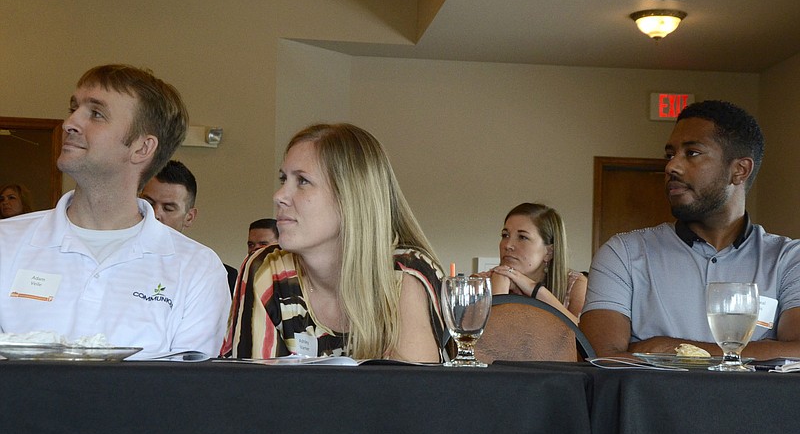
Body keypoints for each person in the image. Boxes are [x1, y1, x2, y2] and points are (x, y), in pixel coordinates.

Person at [0, 64, 230, 358]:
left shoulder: (196, 268)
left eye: (95, 114)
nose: (70, 122)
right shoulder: (5, 243)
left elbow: (184, 394)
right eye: (73, 108)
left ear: (142, 148)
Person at [580, 100, 800, 359]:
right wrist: (756, 353)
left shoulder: (789, 260)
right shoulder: (623, 254)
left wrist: (670, 350)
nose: (671, 166)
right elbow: (602, 359)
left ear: (739, 170)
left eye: (692, 153)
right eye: (670, 154)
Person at [221, 123, 448, 362]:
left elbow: (411, 395)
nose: (279, 196)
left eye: (303, 181)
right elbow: (250, 391)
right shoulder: (267, 268)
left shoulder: (403, 275)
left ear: (350, 197)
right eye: (283, 179)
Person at [141, 160, 238, 294]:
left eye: (168, 208)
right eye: (147, 203)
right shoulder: (111, 249)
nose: (155, 214)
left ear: (189, 217)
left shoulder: (203, 267)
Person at [479, 203, 586, 322]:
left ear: (549, 252)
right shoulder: (478, 284)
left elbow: (583, 336)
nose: (508, 245)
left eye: (522, 237)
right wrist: (499, 293)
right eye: (505, 235)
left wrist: (534, 289)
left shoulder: (574, 285)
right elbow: (479, 338)